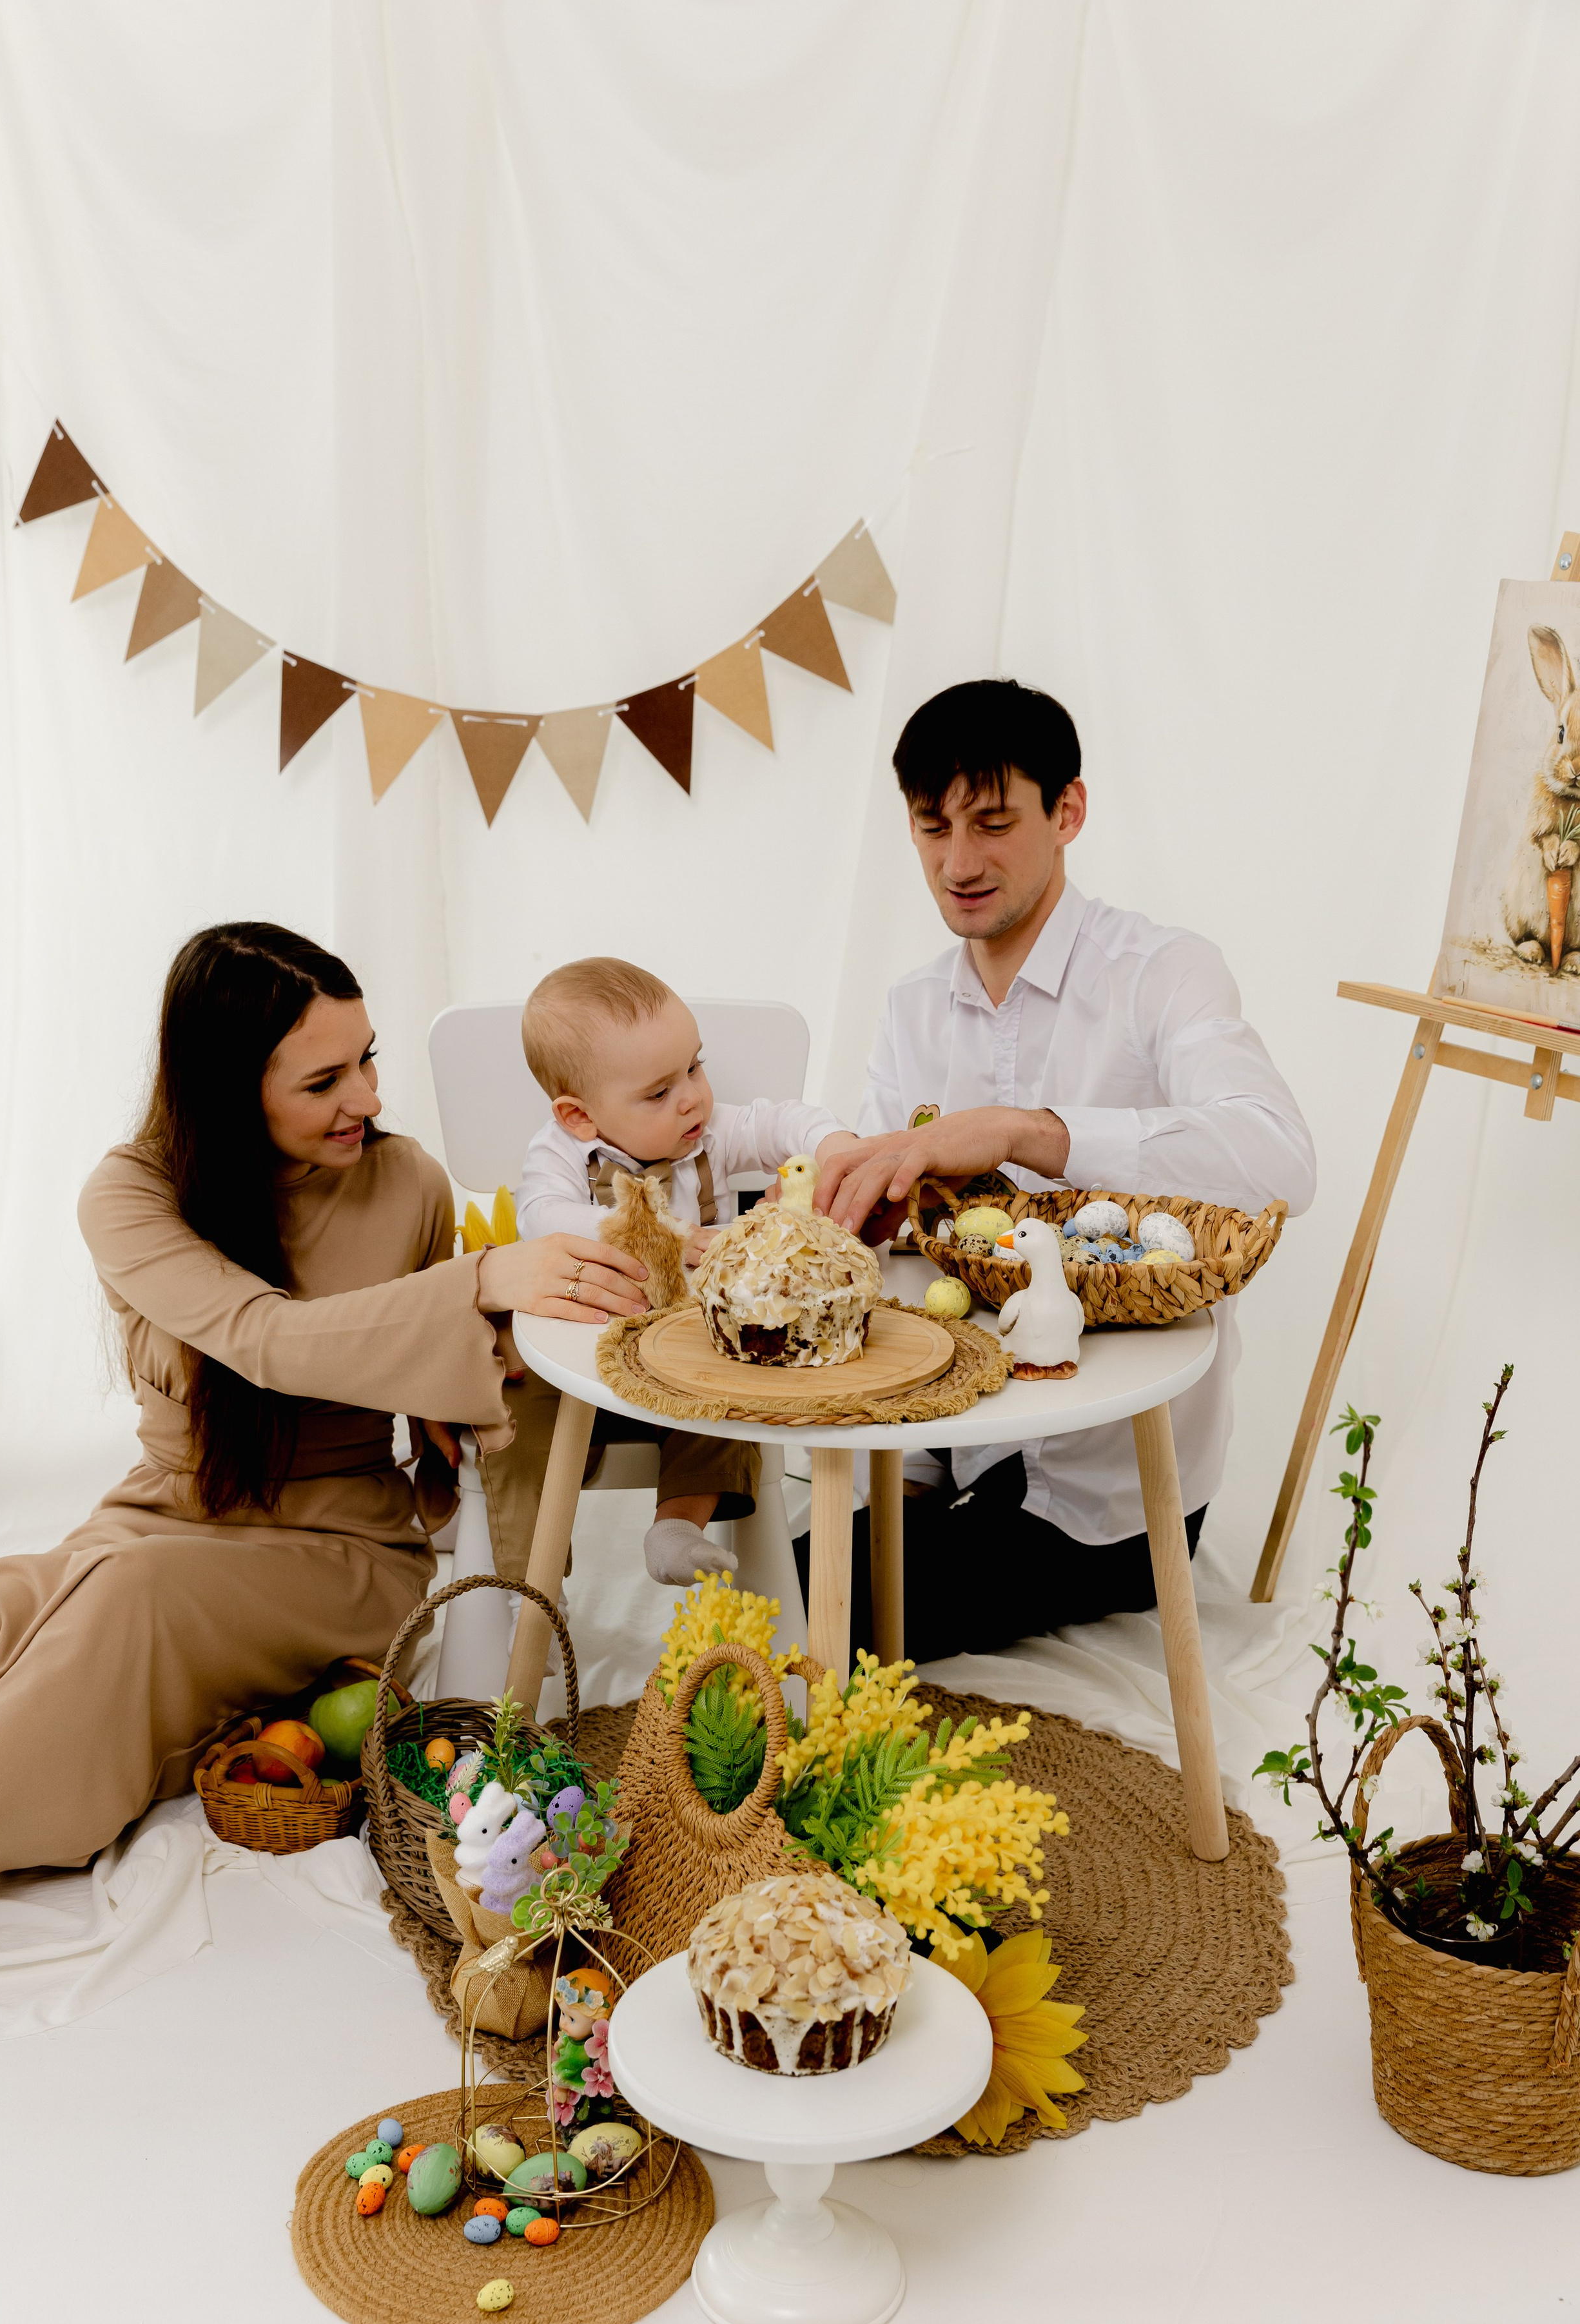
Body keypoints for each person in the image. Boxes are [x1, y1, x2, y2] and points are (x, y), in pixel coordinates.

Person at [0, 922, 649, 1888]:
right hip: (166, 1514)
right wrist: (478, 1282)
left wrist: (470, 1363)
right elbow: (262, 1339)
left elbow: (424, 1355)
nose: (369, 1099)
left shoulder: (409, 1184)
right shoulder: (132, 1194)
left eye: (368, 1061)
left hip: (340, 1551)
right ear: (230, 1090)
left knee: (125, 1607)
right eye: (323, 1083)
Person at [806, 679, 1316, 1661]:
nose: (959, 863)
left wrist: (1018, 1130)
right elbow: (899, 1263)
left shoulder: (1163, 972)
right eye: (931, 827)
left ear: (1068, 811)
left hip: (1114, 1495)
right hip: (952, 1444)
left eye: (994, 823)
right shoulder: (914, 1009)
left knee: (817, 1622)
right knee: (771, 1591)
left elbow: (1278, 1158)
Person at [490, 956, 857, 1584]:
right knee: (513, 1416)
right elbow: (541, 1218)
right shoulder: (564, 1154)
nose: (691, 1097)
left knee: (738, 1393)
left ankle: (677, 1528)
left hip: (682, 1357)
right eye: (659, 1092)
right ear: (580, 1116)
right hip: (575, 1364)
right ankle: (529, 1584)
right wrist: (670, 1236)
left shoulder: (708, 1135)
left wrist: (835, 1147)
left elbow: (782, 1121)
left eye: (694, 1066)